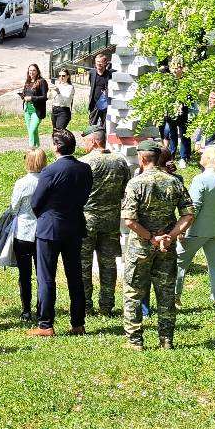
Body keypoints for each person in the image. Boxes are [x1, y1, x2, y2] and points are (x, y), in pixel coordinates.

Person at [121, 139, 195, 350]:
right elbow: (188, 215)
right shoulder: (174, 182)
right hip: (166, 248)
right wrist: (170, 236)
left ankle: (135, 341)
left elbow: (129, 221)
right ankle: (166, 339)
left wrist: (151, 237)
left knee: (133, 292)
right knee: (165, 293)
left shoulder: (136, 183)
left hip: (140, 248)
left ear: (142, 158)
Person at [28, 128, 92, 337]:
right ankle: (78, 323)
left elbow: (36, 202)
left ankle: (46, 324)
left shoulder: (50, 171)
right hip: (74, 226)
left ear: (56, 147)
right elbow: (84, 196)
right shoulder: (84, 169)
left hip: (50, 228)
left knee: (46, 277)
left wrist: (46, 216)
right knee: (75, 276)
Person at [79, 126, 132, 317]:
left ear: (93, 141)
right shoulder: (120, 161)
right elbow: (126, 189)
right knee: (108, 264)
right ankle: (106, 306)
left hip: (86, 221)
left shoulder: (84, 163)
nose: (83, 145)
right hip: (111, 221)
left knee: (83, 265)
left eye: (85, 141)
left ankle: (85, 306)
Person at [176, 144, 215, 308]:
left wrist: (182, 228)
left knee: (179, 261)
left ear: (208, 158)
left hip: (196, 230)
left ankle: (174, 296)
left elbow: (193, 208)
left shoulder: (200, 179)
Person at [9, 148, 46, 322]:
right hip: (43, 231)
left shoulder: (22, 183)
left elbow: (14, 208)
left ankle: (25, 310)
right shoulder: (48, 181)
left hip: (24, 232)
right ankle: (42, 308)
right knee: (43, 274)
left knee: (24, 274)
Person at [20, 64, 49, 148]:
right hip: (27, 110)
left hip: (37, 110)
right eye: (30, 71)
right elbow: (25, 93)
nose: (31, 72)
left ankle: (31, 151)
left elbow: (44, 97)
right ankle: (37, 148)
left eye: (34, 70)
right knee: (32, 131)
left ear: (37, 71)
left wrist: (31, 98)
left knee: (32, 130)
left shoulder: (42, 81)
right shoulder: (28, 82)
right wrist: (23, 96)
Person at [87, 53, 113, 127]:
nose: (98, 64)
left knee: (105, 125)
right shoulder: (92, 73)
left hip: (105, 104)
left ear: (105, 63)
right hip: (94, 104)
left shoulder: (110, 74)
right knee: (92, 125)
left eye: (100, 62)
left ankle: (103, 137)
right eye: (97, 62)